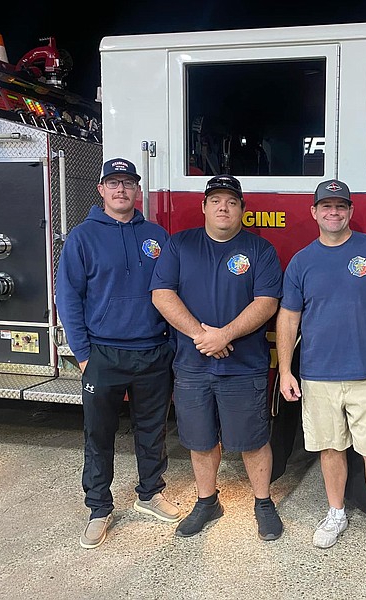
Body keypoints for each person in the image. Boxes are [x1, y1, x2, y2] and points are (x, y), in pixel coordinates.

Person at [276, 179, 366, 571]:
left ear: (350, 211)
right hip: (318, 376)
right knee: (330, 449)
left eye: (340, 206)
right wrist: (286, 369)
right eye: (326, 206)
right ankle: (336, 511)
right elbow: (289, 317)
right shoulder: (302, 262)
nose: (333, 212)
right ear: (314, 212)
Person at [150, 174, 284, 541]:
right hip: (193, 365)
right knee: (199, 439)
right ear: (204, 207)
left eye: (231, 201)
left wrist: (224, 335)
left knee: (253, 439)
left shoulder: (261, 251)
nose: (223, 207)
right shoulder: (180, 245)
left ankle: (263, 503)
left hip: (244, 367)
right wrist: (201, 335)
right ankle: (207, 502)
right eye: (216, 201)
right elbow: (162, 294)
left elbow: (267, 302)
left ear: (242, 209)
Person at [57, 157, 178, 550]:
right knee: (99, 435)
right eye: (113, 183)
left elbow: (173, 292)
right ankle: (98, 508)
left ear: (137, 190)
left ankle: (150, 493)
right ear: (102, 191)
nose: (121, 190)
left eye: (128, 183)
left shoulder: (158, 235)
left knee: (152, 429)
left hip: (153, 352)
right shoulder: (82, 237)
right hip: (103, 354)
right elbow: (68, 297)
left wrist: (171, 344)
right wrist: (83, 353)